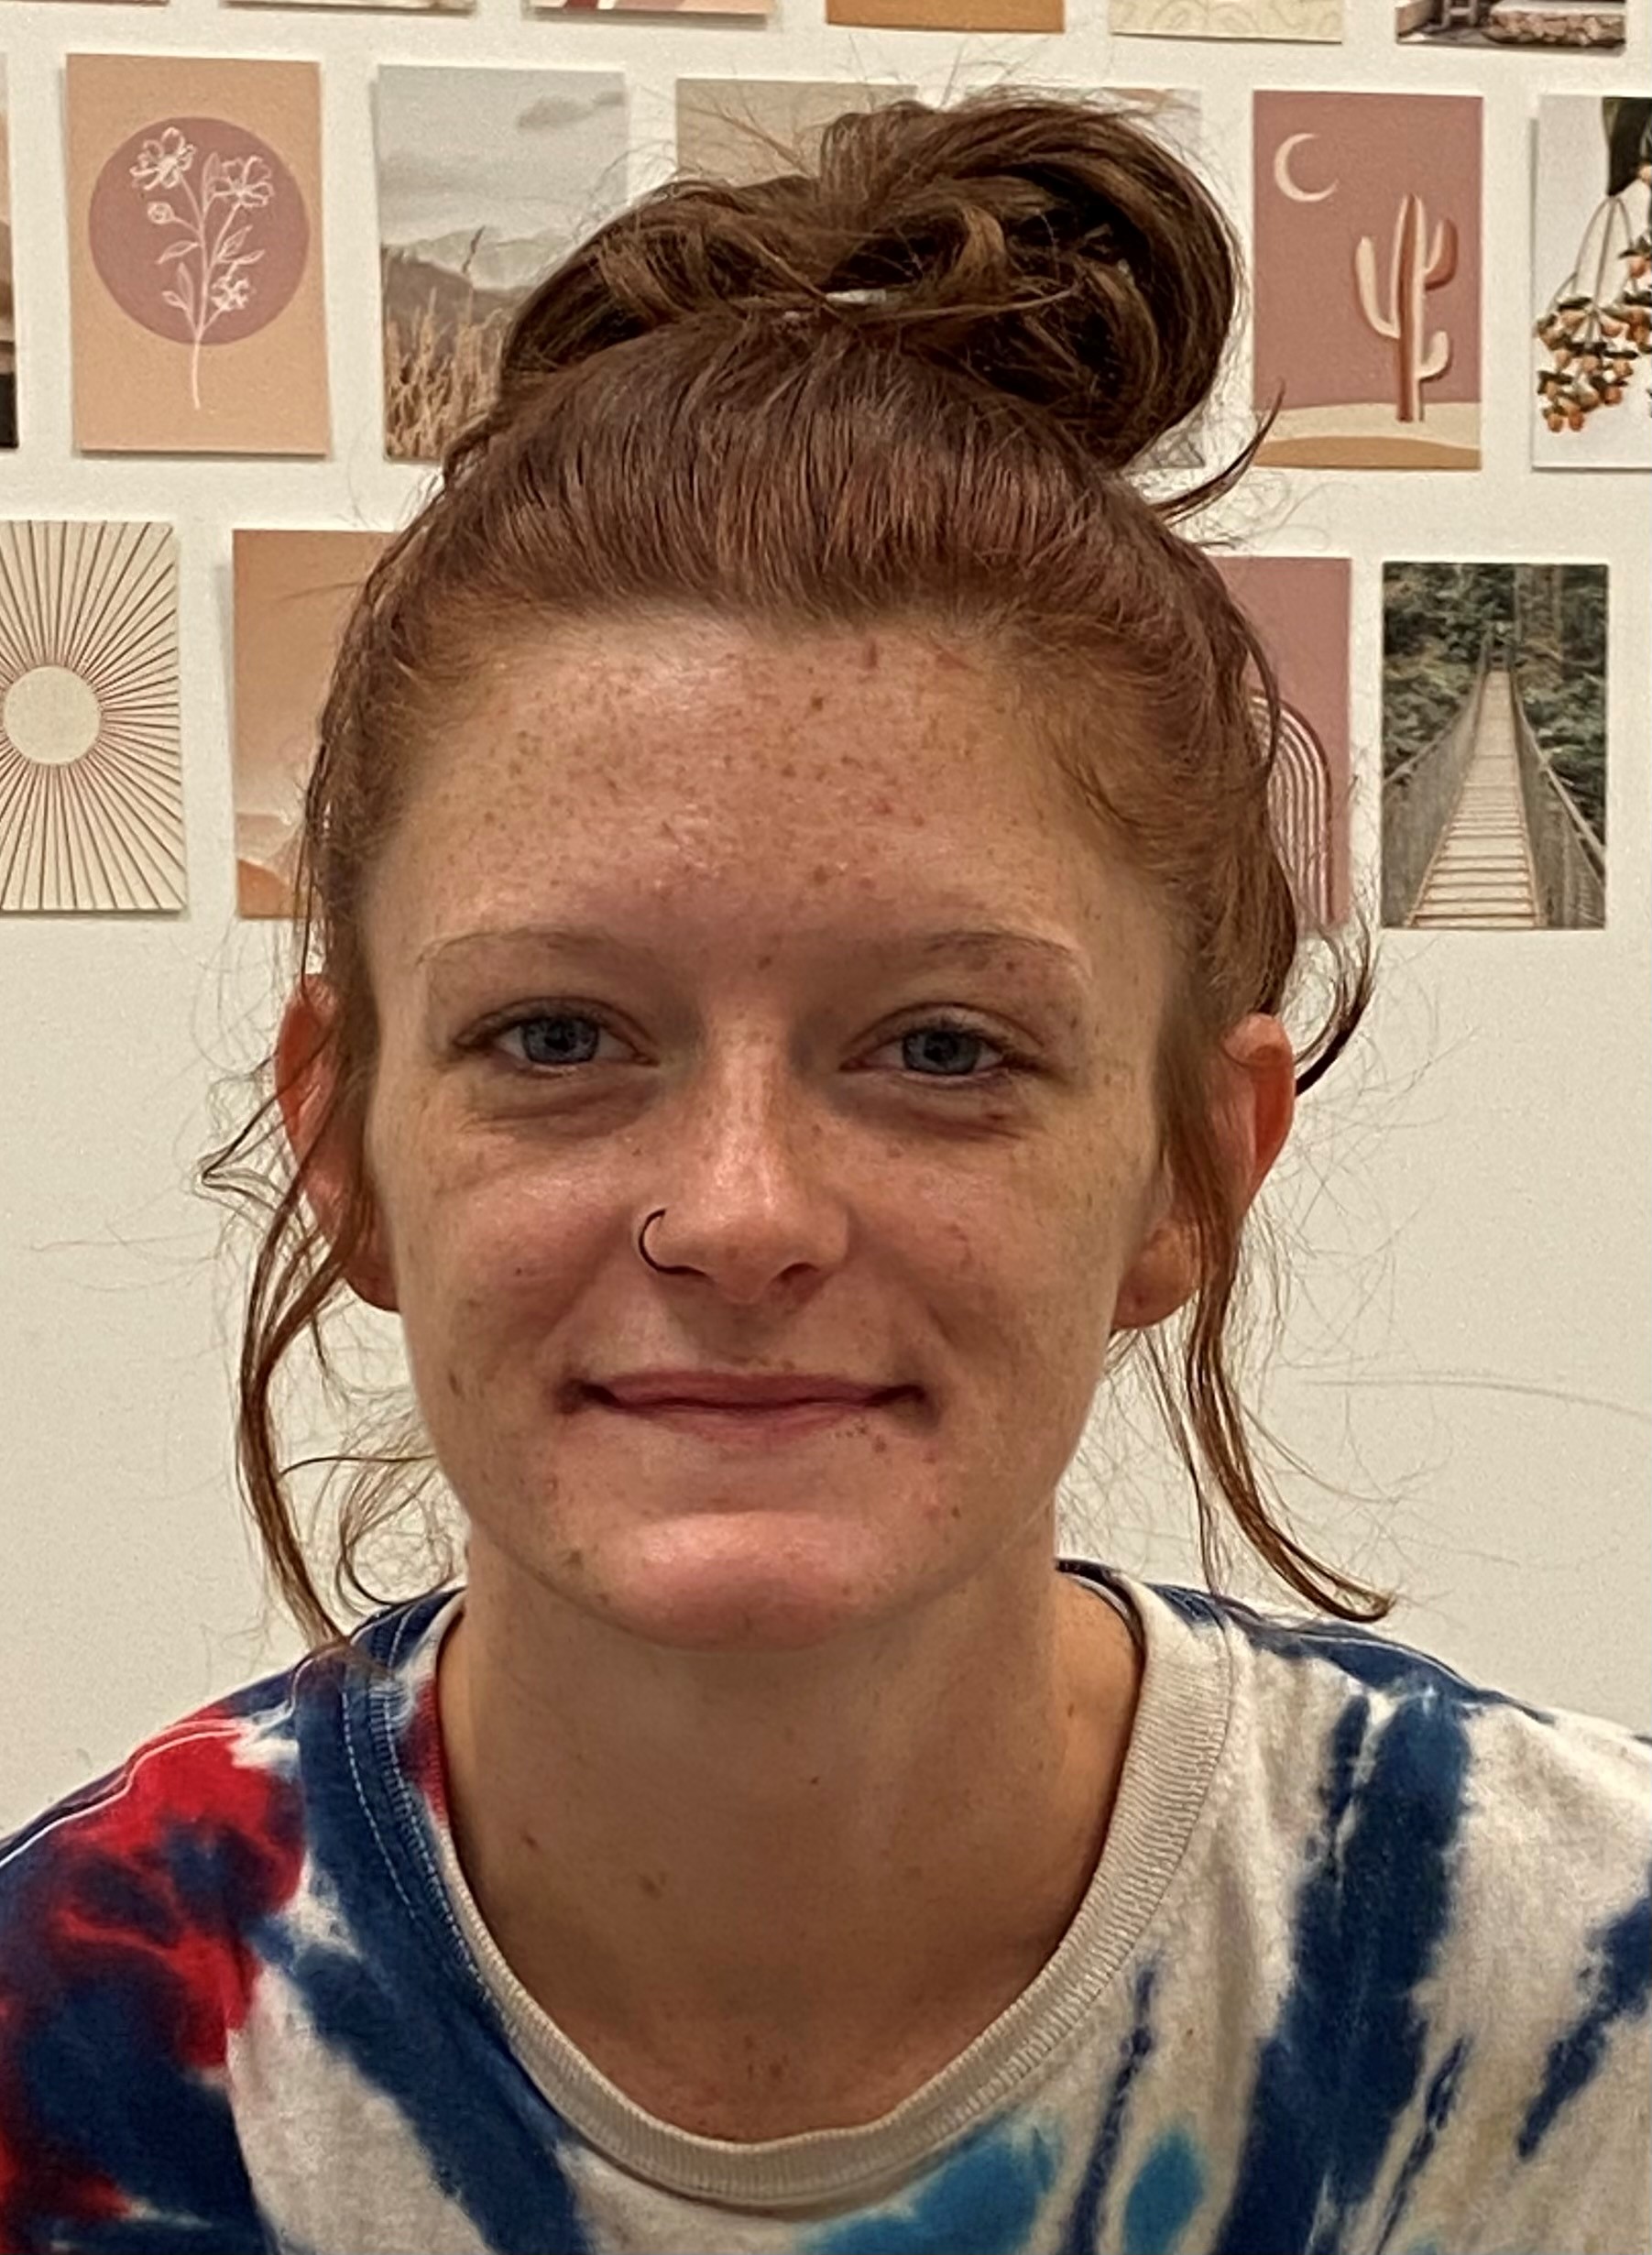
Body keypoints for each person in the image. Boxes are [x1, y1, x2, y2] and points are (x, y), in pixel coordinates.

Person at [1, 86, 1647, 2255]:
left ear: (1189, 1169)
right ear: (348, 1144)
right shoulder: (74, 2051)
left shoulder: (1571, 2015)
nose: (742, 1213)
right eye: (557, 1037)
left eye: (942, 1048)